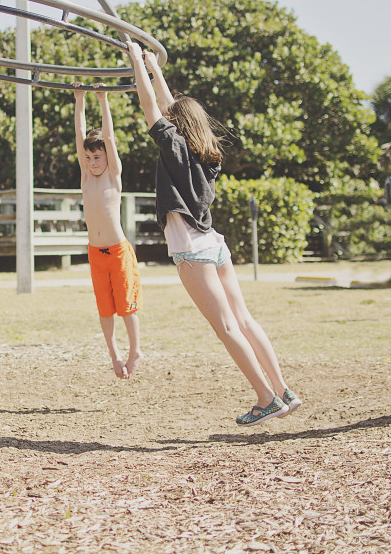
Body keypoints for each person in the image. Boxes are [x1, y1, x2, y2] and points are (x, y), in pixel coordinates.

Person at [127, 41, 300, 426]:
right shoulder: (207, 152)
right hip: (214, 244)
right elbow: (171, 110)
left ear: (178, 125)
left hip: (193, 249)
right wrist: (156, 70)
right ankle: (283, 389)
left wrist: (138, 63)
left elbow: (150, 108)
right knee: (244, 320)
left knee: (225, 327)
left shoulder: (174, 147)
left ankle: (266, 398)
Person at [73, 84, 143, 378]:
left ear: (107, 159)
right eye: (89, 158)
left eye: (97, 158)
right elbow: (79, 138)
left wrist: (102, 101)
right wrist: (79, 101)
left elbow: (109, 138)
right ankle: (114, 356)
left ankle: (135, 349)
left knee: (126, 306)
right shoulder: (86, 178)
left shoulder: (113, 176)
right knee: (105, 309)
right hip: (95, 254)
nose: (92, 162)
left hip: (117, 251)